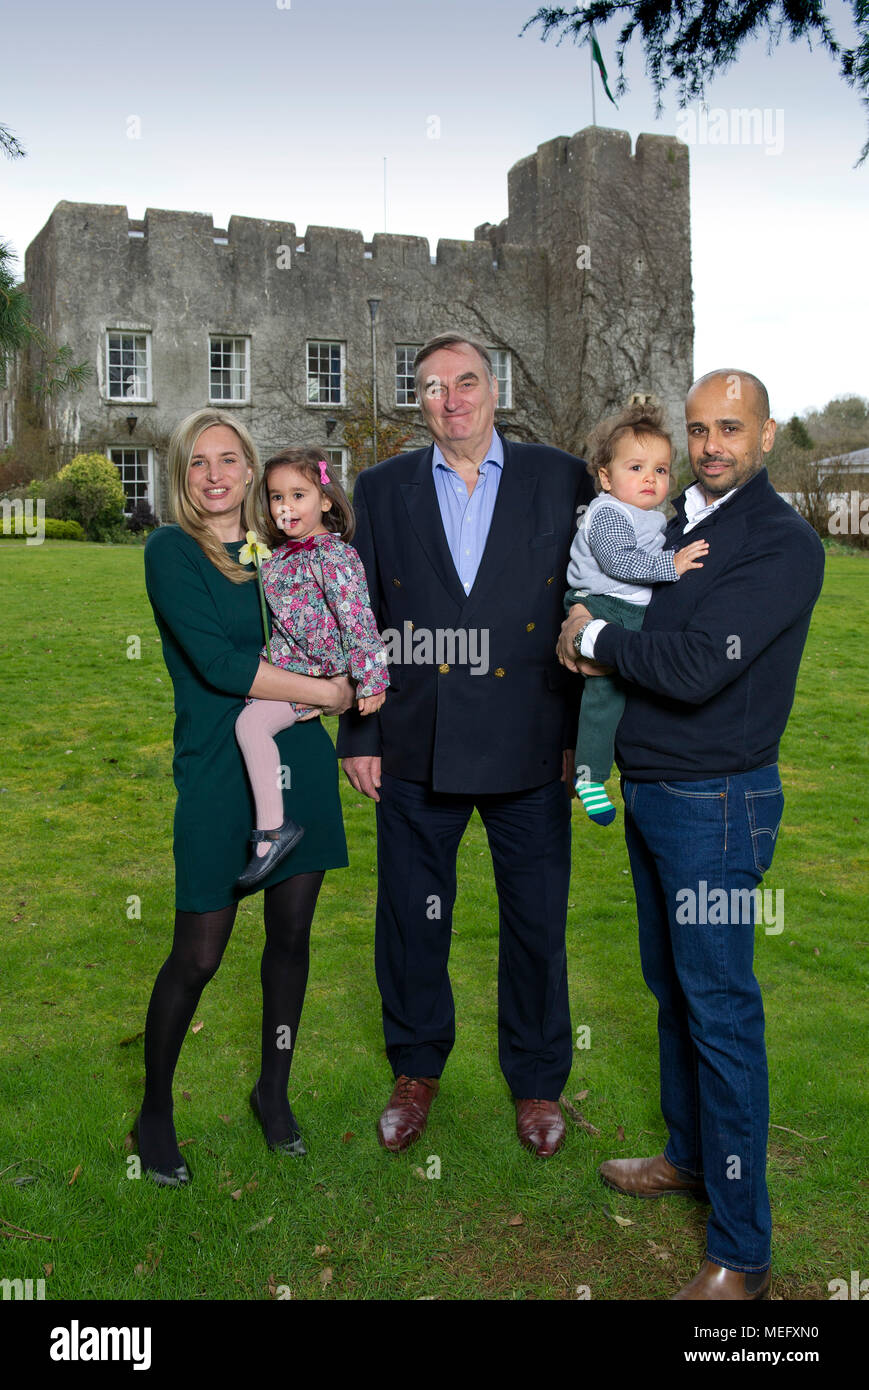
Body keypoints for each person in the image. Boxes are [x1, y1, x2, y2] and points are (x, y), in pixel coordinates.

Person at [558, 369, 825, 1299]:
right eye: (700, 429)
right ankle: (687, 1158)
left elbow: (690, 665)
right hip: (655, 791)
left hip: (717, 803)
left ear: (766, 434)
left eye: (730, 429)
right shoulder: (676, 521)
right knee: (671, 991)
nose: (712, 445)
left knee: (719, 1014)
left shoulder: (778, 543)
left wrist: (588, 638)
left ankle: (742, 1254)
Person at [338, 332, 595, 1157]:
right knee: (413, 921)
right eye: (432, 387)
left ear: (496, 388)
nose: (450, 399)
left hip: (531, 743)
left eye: (466, 382)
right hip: (417, 742)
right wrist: (360, 732)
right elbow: (362, 620)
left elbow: (590, 605)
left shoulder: (560, 478)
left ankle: (536, 1082)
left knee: (534, 922)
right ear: (417, 402)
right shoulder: (380, 489)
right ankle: (414, 1071)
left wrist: (577, 739)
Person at [137, 409, 354, 1184]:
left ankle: (273, 1092)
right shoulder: (172, 551)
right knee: (198, 954)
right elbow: (223, 664)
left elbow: (341, 612)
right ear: (182, 475)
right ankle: (154, 1114)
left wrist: (351, 683)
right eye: (199, 462)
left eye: (229, 458)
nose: (215, 474)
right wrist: (330, 691)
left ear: (251, 469)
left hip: (296, 756)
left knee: (291, 940)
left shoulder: (283, 548)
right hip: (217, 767)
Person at [234, 449, 388, 891]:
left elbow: (357, 618)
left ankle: (271, 831)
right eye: (277, 497)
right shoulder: (276, 557)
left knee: (250, 727)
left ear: (324, 500)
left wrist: (371, 678)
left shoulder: (334, 556)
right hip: (287, 669)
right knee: (248, 724)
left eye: (298, 495)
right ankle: (269, 826)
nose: (286, 507)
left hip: (317, 674)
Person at [564, 402, 709, 825]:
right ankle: (589, 776)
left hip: (624, 605)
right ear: (605, 478)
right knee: (605, 694)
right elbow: (619, 563)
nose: (651, 477)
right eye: (636, 467)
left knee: (633, 687)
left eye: (661, 470)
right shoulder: (608, 512)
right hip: (603, 601)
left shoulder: (649, 516)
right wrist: (673, 565)